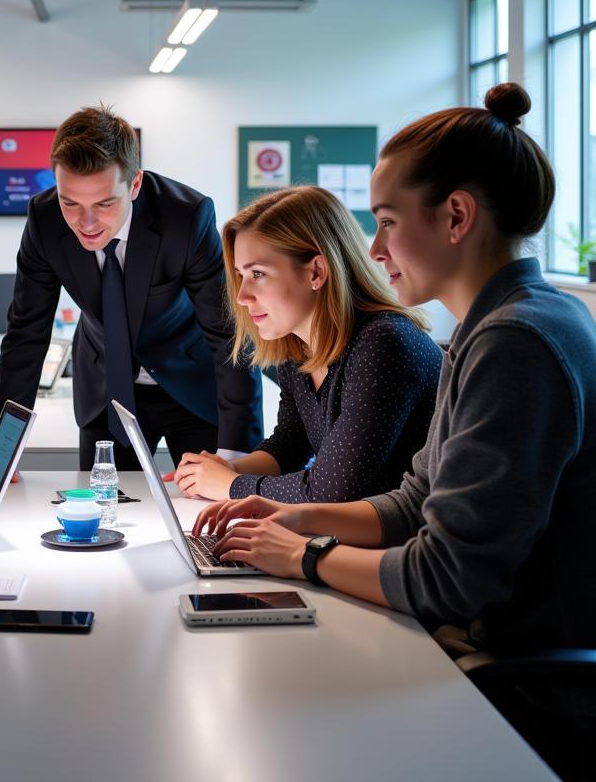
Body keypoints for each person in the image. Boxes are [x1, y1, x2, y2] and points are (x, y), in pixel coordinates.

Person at [195, 83, 596, 656]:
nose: (376, 249)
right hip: (481, 634)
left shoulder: (514, 341)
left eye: (387, 221)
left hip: (508, 662)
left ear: (456, 216)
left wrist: (301, 555)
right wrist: (294, 515)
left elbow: (447, 577)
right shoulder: (496, 325)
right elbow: (416, 502)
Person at [0, 105, 262, 471]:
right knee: (103, 511)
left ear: (134, 185)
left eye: (104, 203)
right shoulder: (44, 220)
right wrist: (1, 455)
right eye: (70, 201)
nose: (85, 223)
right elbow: (26, 335)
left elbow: (228, 333)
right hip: (106, 387)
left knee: (206, 514)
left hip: (194, 386)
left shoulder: (185, 217)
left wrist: (237, 456)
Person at [170, 185, 440, 502]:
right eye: (242, 275)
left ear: (316, 271)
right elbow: (290, 443)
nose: (242, 297)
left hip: (406, 544)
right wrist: (225, 469)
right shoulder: (298, 345)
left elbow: (331, 491)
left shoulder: (384, 343)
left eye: (258, 273)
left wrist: (228, 485)